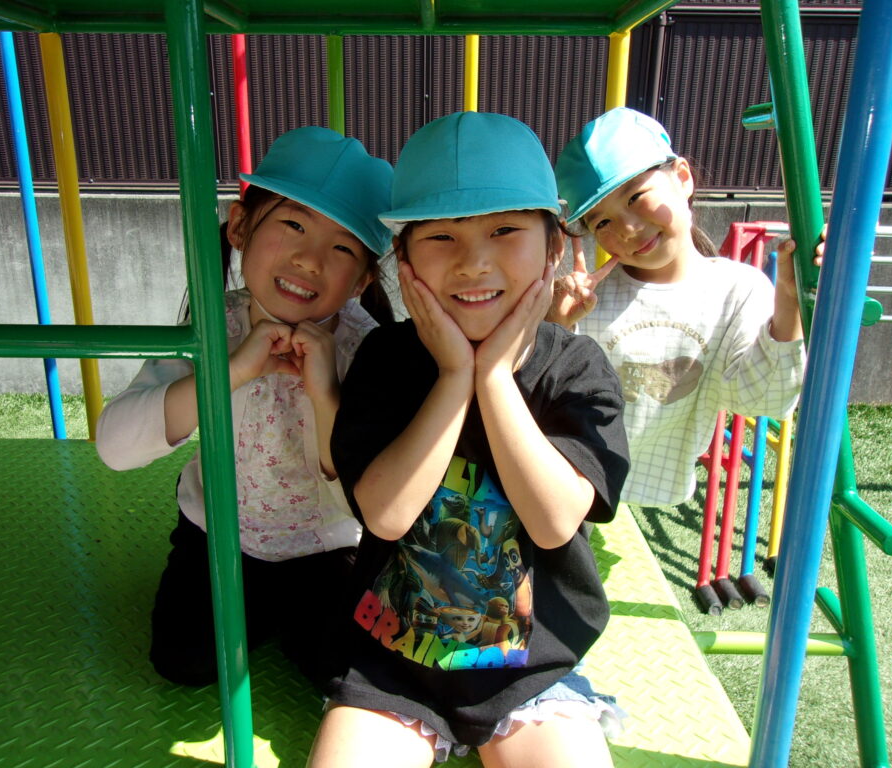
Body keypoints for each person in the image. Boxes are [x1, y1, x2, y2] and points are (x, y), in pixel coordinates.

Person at [307, 112, 630, 768]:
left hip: (533, 672)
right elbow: (386, 513)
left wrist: (495, 378)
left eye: (504, 230)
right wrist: (456, 376)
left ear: (554, 249)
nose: (474, 261)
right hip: (390, 667)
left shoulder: (576, 368)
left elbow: (552, 523)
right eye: (441, 236)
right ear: (404, 260)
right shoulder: (384, 359)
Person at [95, 126, 394, 689]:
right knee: (182, 661)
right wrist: (230, 371)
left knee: (347, 675)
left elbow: (372, 507)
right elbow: (115, 448)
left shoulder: (368, 349)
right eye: (294, 225)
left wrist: (326, 395)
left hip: (329, 547)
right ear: (240, 226)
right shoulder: (211, 327)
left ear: (362, 279)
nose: (309, 259)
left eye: (341, 248)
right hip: (218, 536)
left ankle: (289, 620)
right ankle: (274, 617)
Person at [549, 107, 811, 507]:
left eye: (636, 197)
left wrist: (789, 302)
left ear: (683, 177)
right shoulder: (587, 302)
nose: (627, 229)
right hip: (571, 484)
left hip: (655, 487)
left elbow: (766, 399)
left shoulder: (736, 290)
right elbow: (545, 395)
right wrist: (555, 323)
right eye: (602, 223)